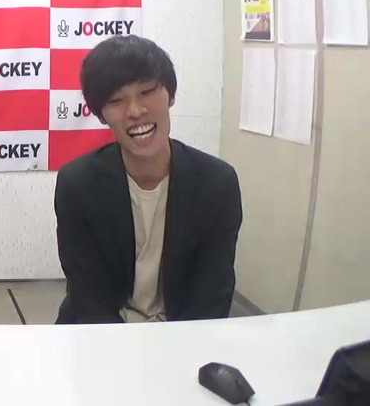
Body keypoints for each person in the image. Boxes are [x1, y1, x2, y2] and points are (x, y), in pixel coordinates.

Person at [54, 35, 242, 324]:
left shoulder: (217, 183)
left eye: (147, 92)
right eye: (116, 100)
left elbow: (212, 294)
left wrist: (173, 346)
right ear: (101, 115)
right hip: (101, 332)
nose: (135, 111)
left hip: (183, 333)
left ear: (171, 95)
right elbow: (87, 296)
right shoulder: (78, 184)